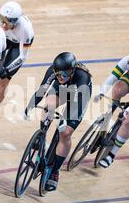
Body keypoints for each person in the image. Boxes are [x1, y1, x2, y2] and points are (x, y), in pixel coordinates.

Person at [24, 52, 92, 191]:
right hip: (62, 90)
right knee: (49, 105)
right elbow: (42, 90)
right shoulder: (53, 71)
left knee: (65, 133)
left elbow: (77, 104)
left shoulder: (82, 77)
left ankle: (55, 171)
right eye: (58, 74)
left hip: (79, 96)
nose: (61, 77)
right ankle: (41, 135)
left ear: (72, 70)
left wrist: (64, 121)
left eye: (65, 74)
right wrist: (30, 106)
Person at [0, 1, 34, 130]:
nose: (4, 24)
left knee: (3, 80)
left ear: (16, 21)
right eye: (3, 19)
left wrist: (8, 70)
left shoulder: (25, 30)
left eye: (9, 21)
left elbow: (22, 56)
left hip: (18, 45)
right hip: (2, 39)